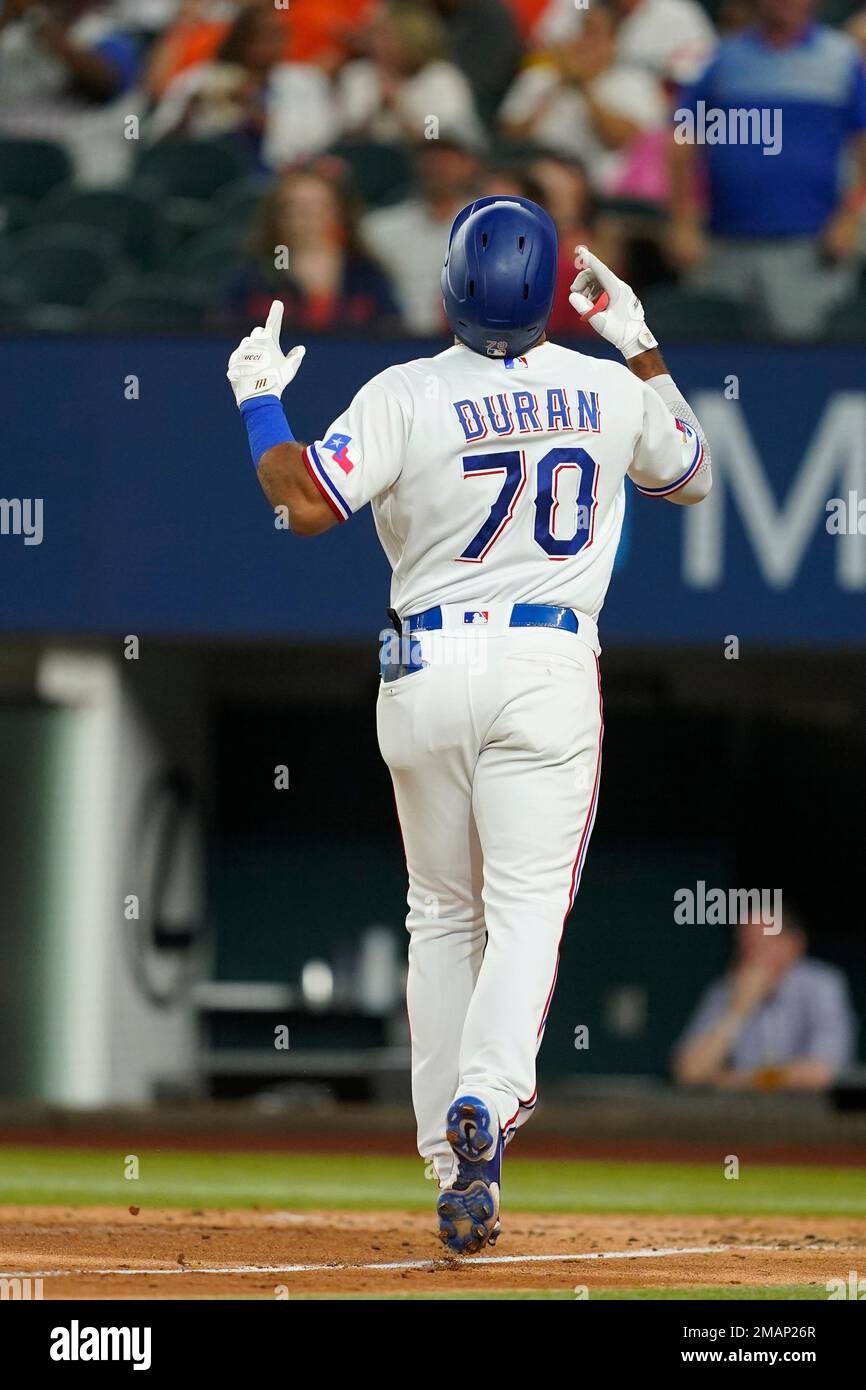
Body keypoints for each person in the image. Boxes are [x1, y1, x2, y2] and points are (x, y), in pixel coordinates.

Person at [226, 198, 712, 1253]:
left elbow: (303, 503)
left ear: (449, 287)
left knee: (441, 913)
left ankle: (450, 1162)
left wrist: (260, 400)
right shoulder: (603, 388)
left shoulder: (403, 390)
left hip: (423, 663)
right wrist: (635, 343)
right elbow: (691, 473)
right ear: (547, 295)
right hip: (543, 660)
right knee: (523, 906)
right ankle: (484, 1106)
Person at [669, 0, 866, 340]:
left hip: (810, 247)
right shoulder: (724, 59)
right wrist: (683, 222)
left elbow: (863, 143)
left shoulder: (841, 59)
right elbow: (683, 139)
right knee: (716, 356)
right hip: (724, 244)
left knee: (800, 361)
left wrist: (851, 217)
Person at [673, 912, 857, 1092]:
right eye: (746, 945)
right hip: (745, 1115)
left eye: (763, 943)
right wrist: (737, 1012)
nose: (752, 954)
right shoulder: (726, 990)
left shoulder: (822, 985)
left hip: (809, 1114)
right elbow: (689, 1071)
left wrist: (741, 1081)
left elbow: (822, 1072)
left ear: (795, 944)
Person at [148, 2, 338, 170]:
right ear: (242, 40)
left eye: (279, 34)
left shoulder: (306, 81)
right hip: (204, 174)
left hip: (275, 177)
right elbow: (156, 141)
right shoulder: (200, 78)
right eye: (262, 36)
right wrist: (190, 108)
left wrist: (253, 109)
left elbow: (316, 145)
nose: (273, 44)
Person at [499, 1, 667, 191]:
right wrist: (554, 91)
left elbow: (625, 140)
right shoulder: (542, 77)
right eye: (581, 32)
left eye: (593, 34)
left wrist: (584, 88)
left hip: (598, 190)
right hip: (531, 175)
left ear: (613, 43)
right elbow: (508, 137)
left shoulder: (633, 84)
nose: (584, 42)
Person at [226, 165, 400, 331]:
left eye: (316, 207)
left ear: (339, 214)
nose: (305, 218)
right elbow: (224, 332)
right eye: (294, 208)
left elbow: (392, 332)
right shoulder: (255, 276)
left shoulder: (364, 272)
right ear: (276, 216)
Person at [0, 0, 141, 184]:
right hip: (10, 160)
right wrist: (8, 17)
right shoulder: (10, 37)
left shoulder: (105, 32)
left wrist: (37, 21)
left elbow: (105, 83)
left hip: (77, 162)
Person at [360, 134, 482, 333]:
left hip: (467, 339)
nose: (439, 169)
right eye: (431, 161)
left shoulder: (485, 225)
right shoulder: (380, 228)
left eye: (447, 161)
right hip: (393, 338)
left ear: (469, 166)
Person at [338, 2, 485, 149]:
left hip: (437, 164)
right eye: (375, 35)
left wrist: (399, 106)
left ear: (412, 39)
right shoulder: (359, 75)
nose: (377, 44)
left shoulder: (441, 79)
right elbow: (344, 135)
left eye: (387, 36)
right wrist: (371, 113)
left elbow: (434, 135)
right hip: (376, 162)